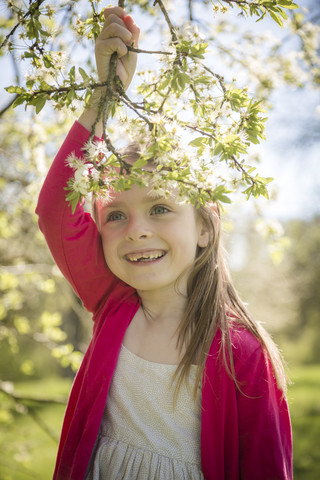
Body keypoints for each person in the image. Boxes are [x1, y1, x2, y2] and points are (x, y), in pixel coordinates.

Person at [36, 6, 293, 480]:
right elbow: (56, 210)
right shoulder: (113, 303)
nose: (136, 229)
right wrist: (104, 95)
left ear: (203, 228)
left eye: (160, 208)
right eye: (115, 214)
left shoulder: (242, 356)